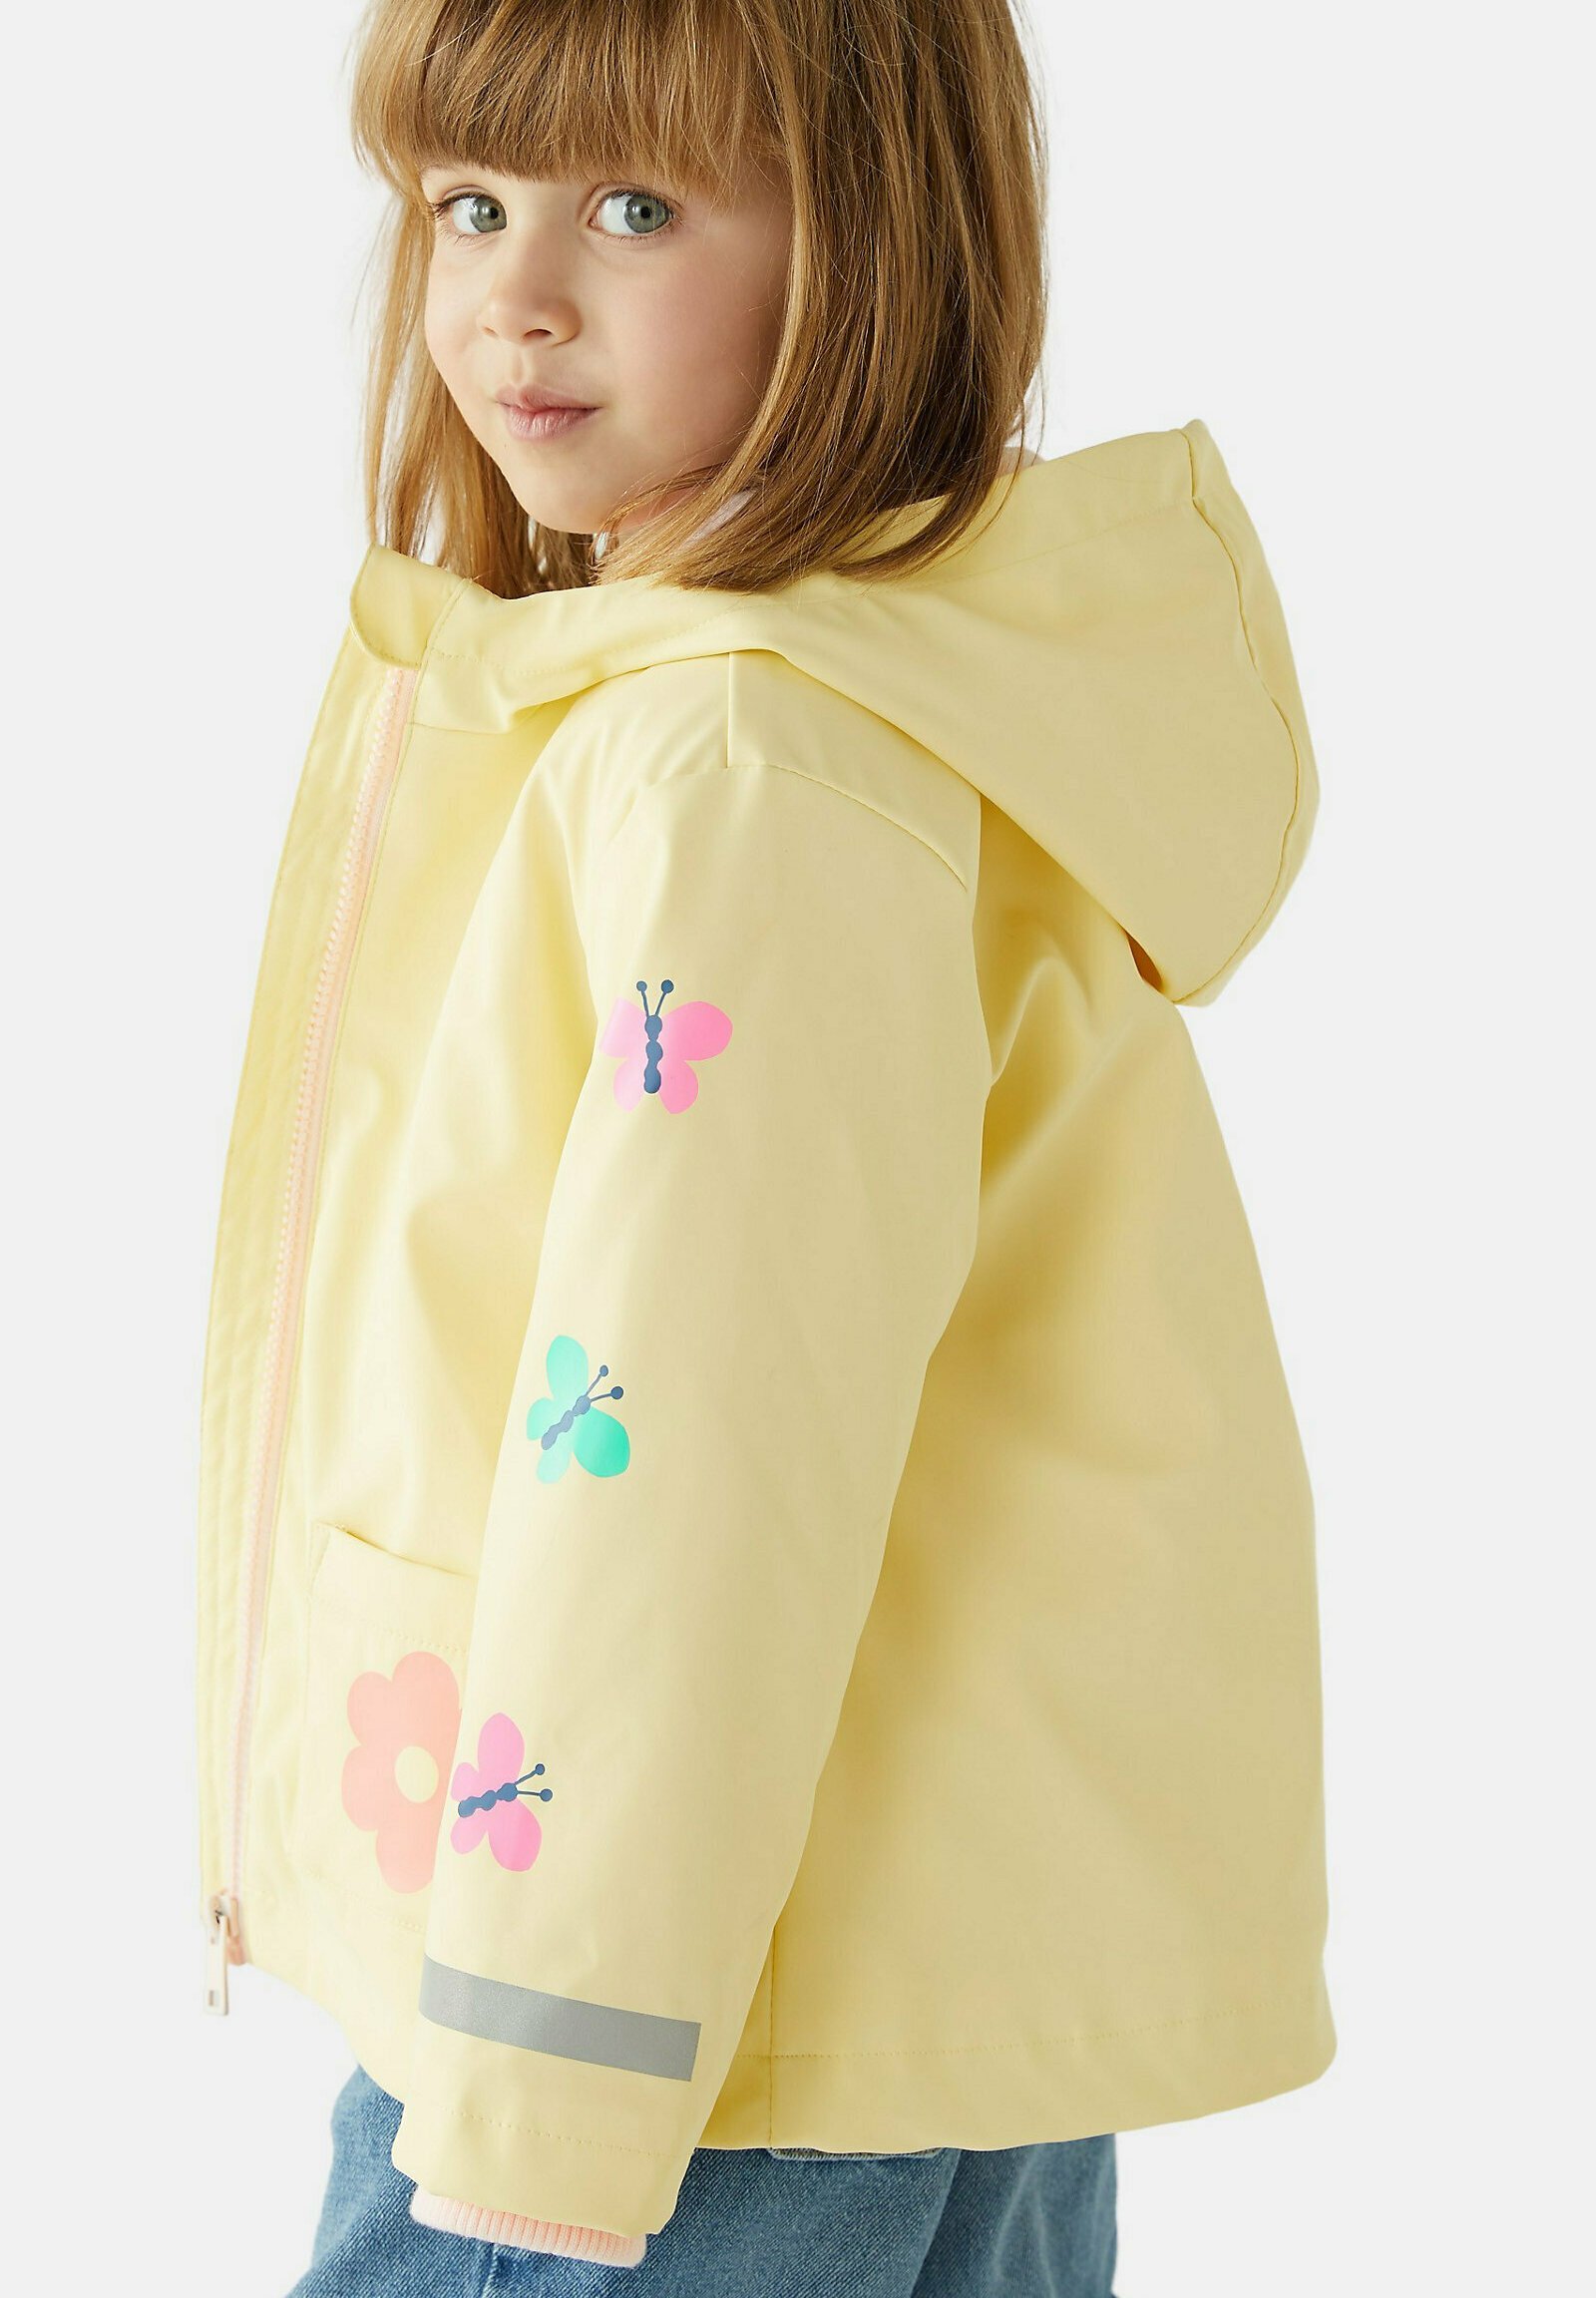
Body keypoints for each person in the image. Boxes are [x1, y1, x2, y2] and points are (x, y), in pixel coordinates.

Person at [194, 1, 1334, 2289]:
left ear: (873, 246)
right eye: (466, 203)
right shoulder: (875, 692)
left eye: (634, 207)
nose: (516, 297)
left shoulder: (739, 768)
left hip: (668, 2019)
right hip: (905, 1971)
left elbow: (683, 1472)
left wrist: (548, 2077)